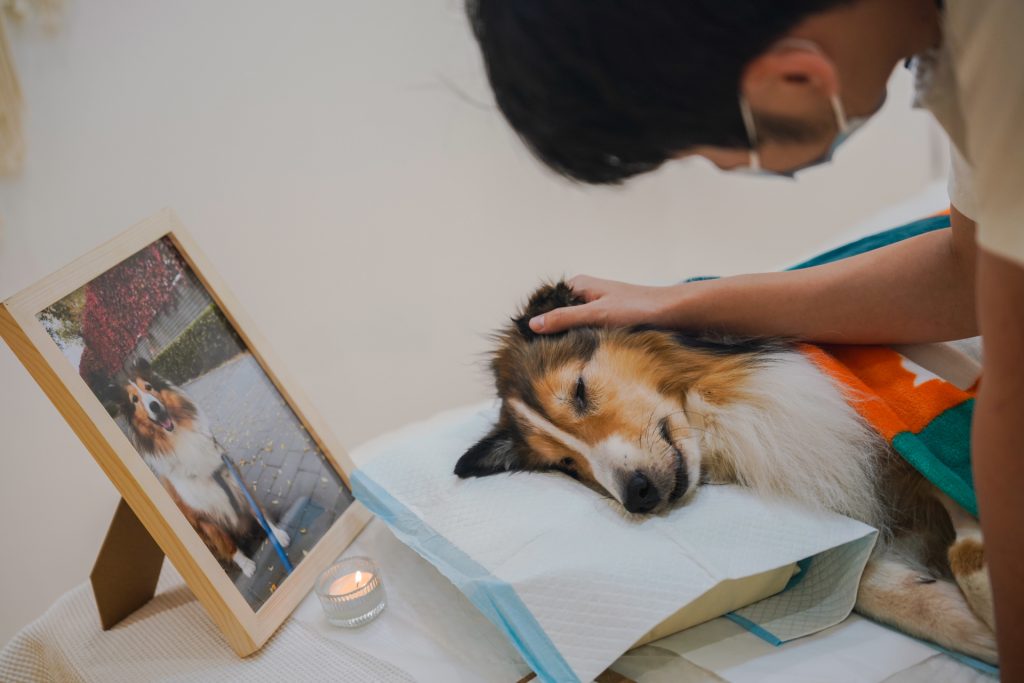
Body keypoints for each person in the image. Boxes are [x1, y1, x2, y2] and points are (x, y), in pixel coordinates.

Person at [466, 0, 1023, 678]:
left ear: (785, 76)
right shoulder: (961, 54)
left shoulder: (1004, 48)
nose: (726, 169)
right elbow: (969, 271)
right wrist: (686, 299)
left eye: (694, 146)